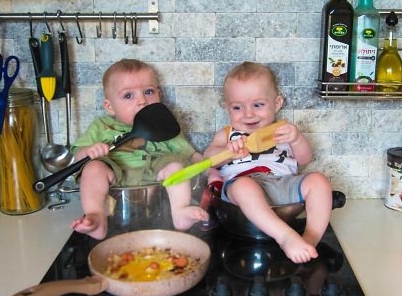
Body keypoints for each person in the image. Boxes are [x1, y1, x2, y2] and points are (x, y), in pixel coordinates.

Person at [204, 62, 333, 263]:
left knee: (319, 180)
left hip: (282, 182)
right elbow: (207, 160)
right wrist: (227, 152)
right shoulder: (228, 134)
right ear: (227, 108)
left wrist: (296, 139)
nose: (248, 114)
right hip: (244, 188)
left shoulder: (283, 131)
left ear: (277, 104)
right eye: (237, 107)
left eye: (258, 105)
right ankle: (285, 236)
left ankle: (309, 239)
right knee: (243, 186)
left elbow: (304, 159)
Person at [69, 59, 207, 240]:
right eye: (128, 96)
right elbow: (77, 155)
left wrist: (212, 169)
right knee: (92, 168)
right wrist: (89, 151)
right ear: (110, 107)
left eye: (148, 92)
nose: (142, 101)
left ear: (159, 95)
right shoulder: (102, 126)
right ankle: (96, 216)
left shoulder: (163, 126)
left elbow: (193, 155)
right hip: (114, 178)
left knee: (175, 164)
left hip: (154, 177)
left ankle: (180, 211)